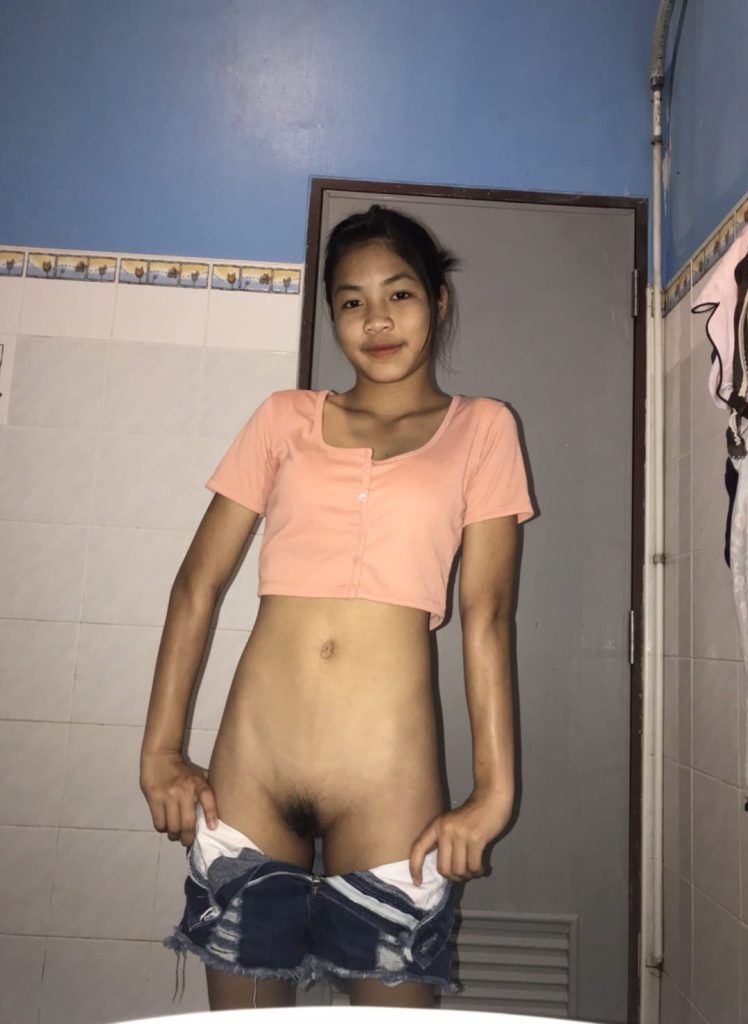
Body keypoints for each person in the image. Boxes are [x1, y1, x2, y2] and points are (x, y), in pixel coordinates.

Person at [139, 203, 534, 1011]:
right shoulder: (283, 419)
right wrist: (160, 752)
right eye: (352, 301)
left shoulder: (484, 430)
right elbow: (196, 586)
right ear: (331, 315)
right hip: (252, 773)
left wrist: (492, 793)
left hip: (389, 784)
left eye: (399, 294)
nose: (376, 320)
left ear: (438, 303)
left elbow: (488, 618)